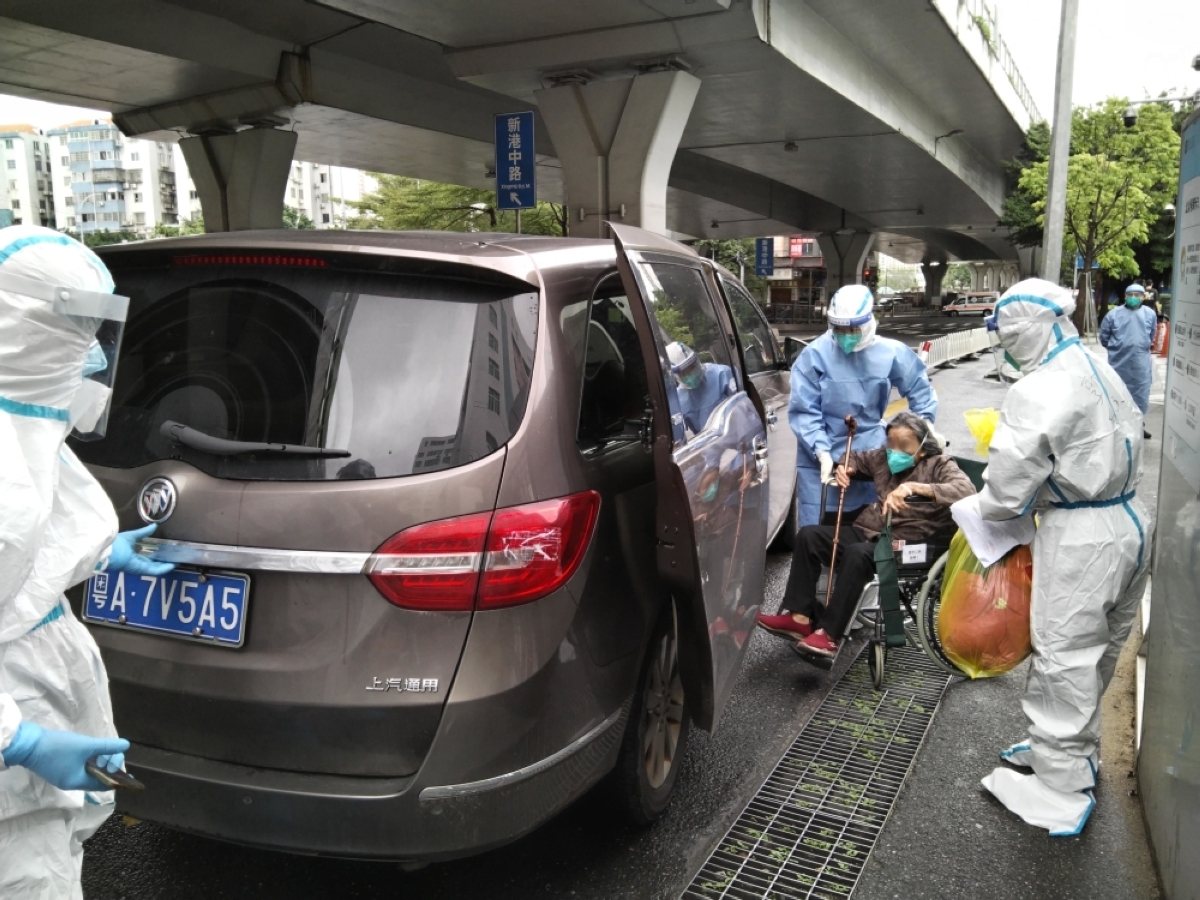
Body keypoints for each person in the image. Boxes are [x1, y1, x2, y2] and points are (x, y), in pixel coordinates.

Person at [0, 225, 174, 898]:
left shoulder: (21, 422)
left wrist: (103, 552)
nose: (96, 355)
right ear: (30, 328)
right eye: (79, 326)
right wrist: (19, 741)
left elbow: (27, 548)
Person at [976, 278, 1153, 837]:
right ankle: (1069, 751)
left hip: (1081, 532)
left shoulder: (1038, 388)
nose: (1003, 345)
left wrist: (981, 512)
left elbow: (1006, 490)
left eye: (1005, 334)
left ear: (1023, 330)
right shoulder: (1094, 364)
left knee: (1062, 653)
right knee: (1096, 651)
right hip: (1129, 520)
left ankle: (1059, 788)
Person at [758, 412, 975, 658]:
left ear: (922, 448)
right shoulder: (882, 459)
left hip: (913, 543)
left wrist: (913, 487)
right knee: (809, 536)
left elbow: (965, 489)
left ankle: (829, 635)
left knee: (858, 554)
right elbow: (855, 458)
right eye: (891, 444)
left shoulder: (939, 465)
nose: (895, 451)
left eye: (904, 446)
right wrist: (845, 468)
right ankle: (799, 617)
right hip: (873, 532)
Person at [789, 284, 938, 528]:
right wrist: (822, 452)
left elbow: (920, 389)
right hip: (820, 453)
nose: (846, 334)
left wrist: (924, 430)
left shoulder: (890, 353)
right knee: (818, 533)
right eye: (839, 329)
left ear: (869, 321)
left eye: (853, 328)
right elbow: (805, 410)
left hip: (871, 453)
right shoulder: (814, 356)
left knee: (870, 528)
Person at [1099, 282, 1157, 438]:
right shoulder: (1113, 315)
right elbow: (1104, 337)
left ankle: (1138, 425)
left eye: (1137, 295)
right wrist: (1118, 347)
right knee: (1118, 392)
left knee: (1140, 393)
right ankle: (1119, 426)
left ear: (1143, 297)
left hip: (1140, 362)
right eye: (1130, 295)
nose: (1133, 298)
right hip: (1119, 362)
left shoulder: (1150, 314)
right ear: (1125, 296)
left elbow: (1152, 335)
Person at [667, 341, 735, 437]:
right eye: (684, 373)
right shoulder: (678, 400)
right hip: (709, 446)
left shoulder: (722, 374)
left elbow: (744, 407)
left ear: (697, 361)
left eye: (691, 367)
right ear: (676, 376)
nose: (690, 375)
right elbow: (681, 434)